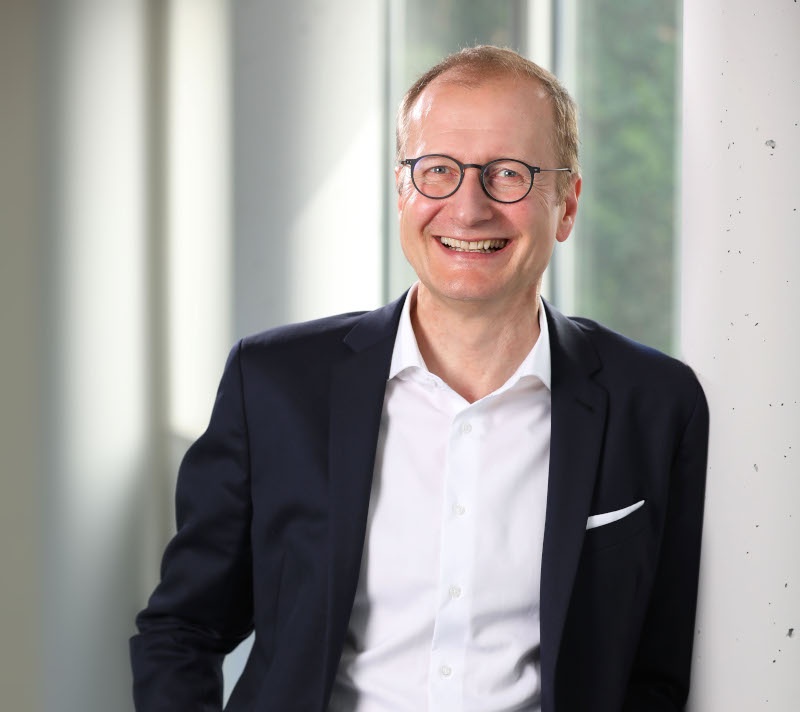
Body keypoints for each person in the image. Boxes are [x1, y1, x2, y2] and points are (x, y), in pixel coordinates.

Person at [130, 46, 709, 712]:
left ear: (568, 203)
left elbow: (657, 673)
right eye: (437, 171)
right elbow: (182, 628)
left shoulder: (657, 404)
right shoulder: (272, 385)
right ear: (404, 190)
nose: (468, 208)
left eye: (508, 174)